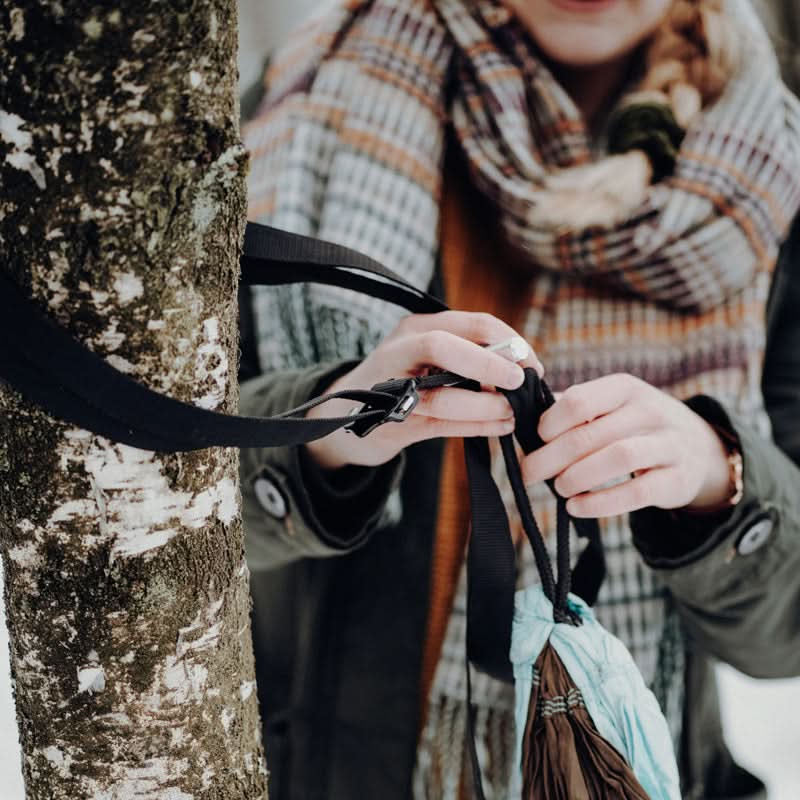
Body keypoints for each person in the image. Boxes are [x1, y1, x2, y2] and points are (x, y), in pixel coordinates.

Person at [238, 1, 800, 798]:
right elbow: (167, 493)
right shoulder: (306, 106)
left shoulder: (777, 170)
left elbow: (789, 640)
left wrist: (721, 479)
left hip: (632, 769)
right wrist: (328, 425)